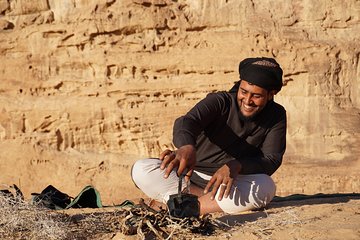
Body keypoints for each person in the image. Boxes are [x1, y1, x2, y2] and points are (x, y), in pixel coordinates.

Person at [131, 57, 286, 215]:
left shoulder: (277, 116)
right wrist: (186, 146)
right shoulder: (221, 101)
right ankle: (196, 201)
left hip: (229, 184)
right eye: (244, 92)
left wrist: (237, 165)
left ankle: (186, 207)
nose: (247, 100)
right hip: (189, 177)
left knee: (266, 186)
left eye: (256, 96)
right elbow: (188, 121)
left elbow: (272, 159)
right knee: (142, 169)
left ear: (271, 94)